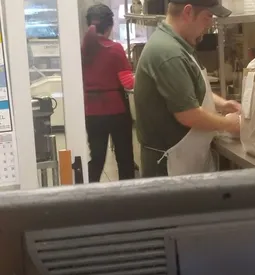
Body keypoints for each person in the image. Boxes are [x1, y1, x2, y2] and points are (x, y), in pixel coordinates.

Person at [134, 0, 241, 178]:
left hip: (182, 161)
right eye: (207, 17)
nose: (209, 25)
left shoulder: (178, 44)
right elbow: (188, 114)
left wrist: (223, 104)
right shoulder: (168, 52)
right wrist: (230, 124)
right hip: (168, 166)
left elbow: (187, 90)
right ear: (188, 12)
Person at [81, 4, 135, 182]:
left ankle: (88, 196)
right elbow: (128, 83)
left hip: (91, 111)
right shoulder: (115, 49)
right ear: (110, 26)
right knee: (125, 158)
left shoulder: (82, 50)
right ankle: (126, 199)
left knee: (96, 158)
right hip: (117, 111)